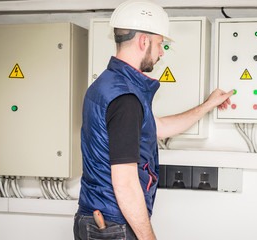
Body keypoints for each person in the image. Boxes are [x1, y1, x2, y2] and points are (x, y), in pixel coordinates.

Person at [73, 0, 235, 239]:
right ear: (143, 41)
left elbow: (157, 127)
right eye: (160, 44)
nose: (161, 52)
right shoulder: (126, 99)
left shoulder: (108, 85)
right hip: (113, 224)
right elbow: (126, 184)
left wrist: (208, 105)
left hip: (99, 218)